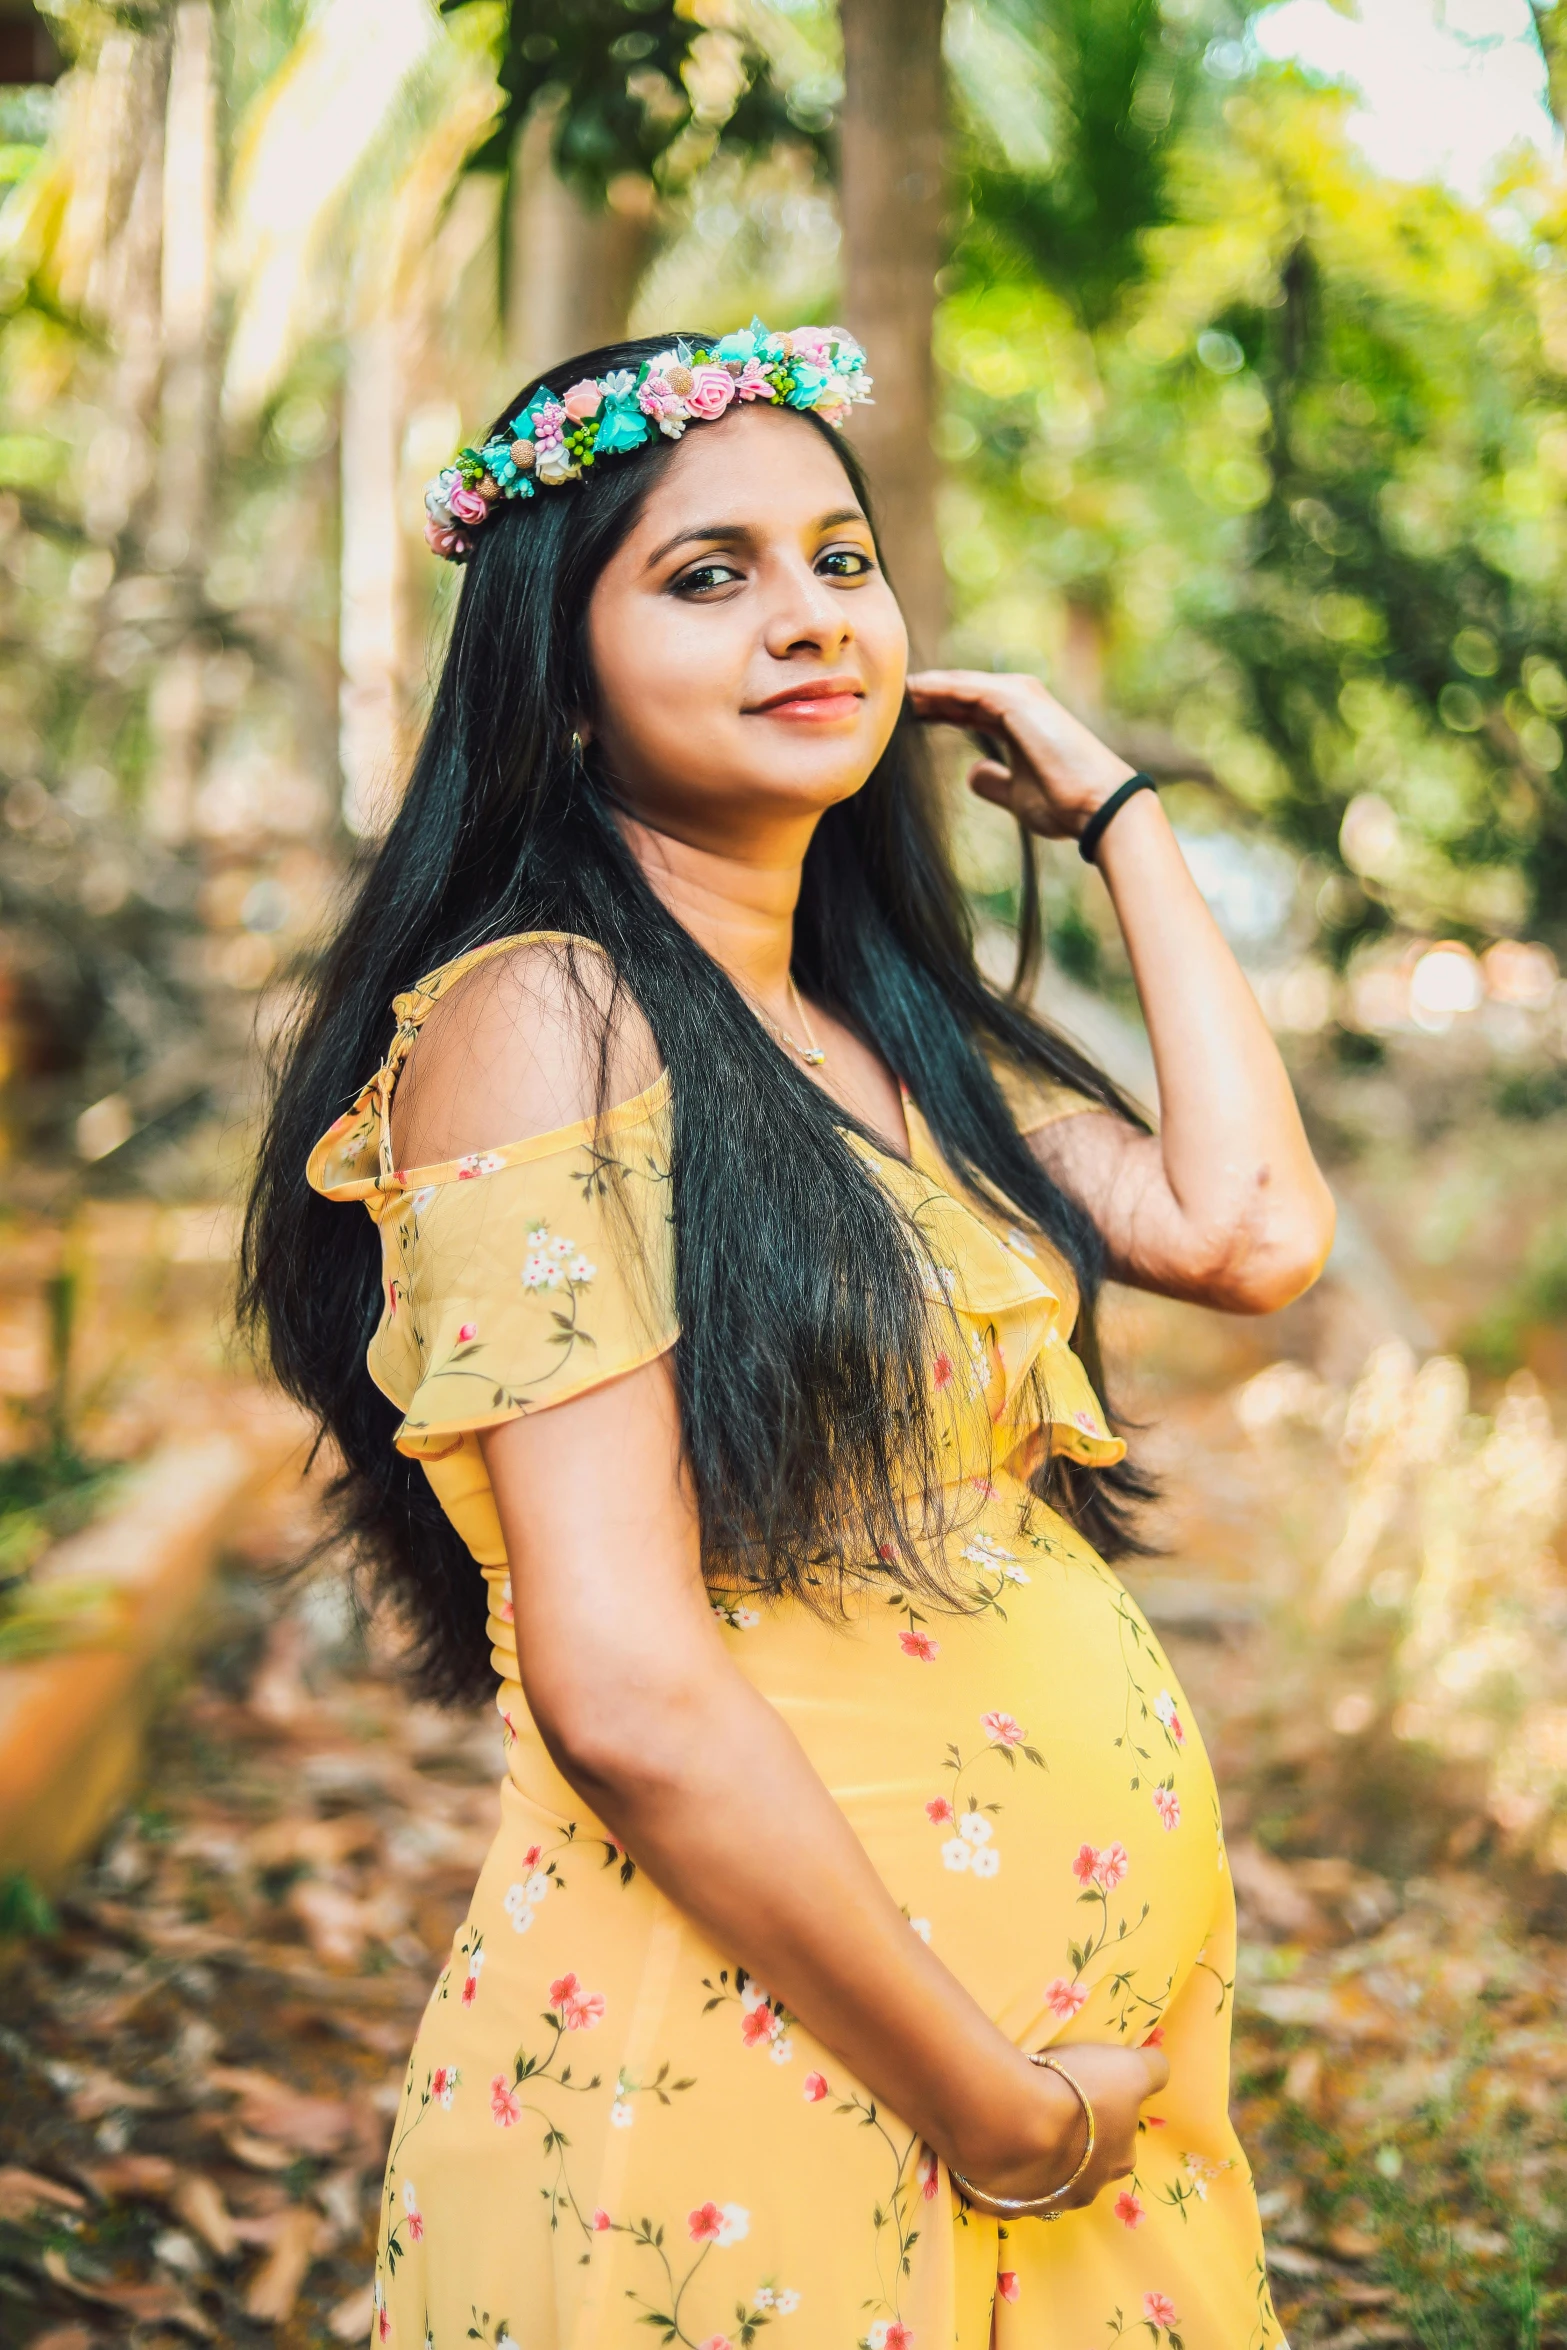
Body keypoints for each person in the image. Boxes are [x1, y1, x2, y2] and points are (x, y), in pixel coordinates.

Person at [242, 324, 1334, 2350]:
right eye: (709, 573)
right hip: (793, 2070)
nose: (810, 616)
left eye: (840, 558)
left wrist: (1119, 820)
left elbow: (1252, 1228)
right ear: (558, 688)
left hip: (1038, 2097)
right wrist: (993, 2102)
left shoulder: (876, 1029)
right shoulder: (541, 1022)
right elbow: (628, 1680)